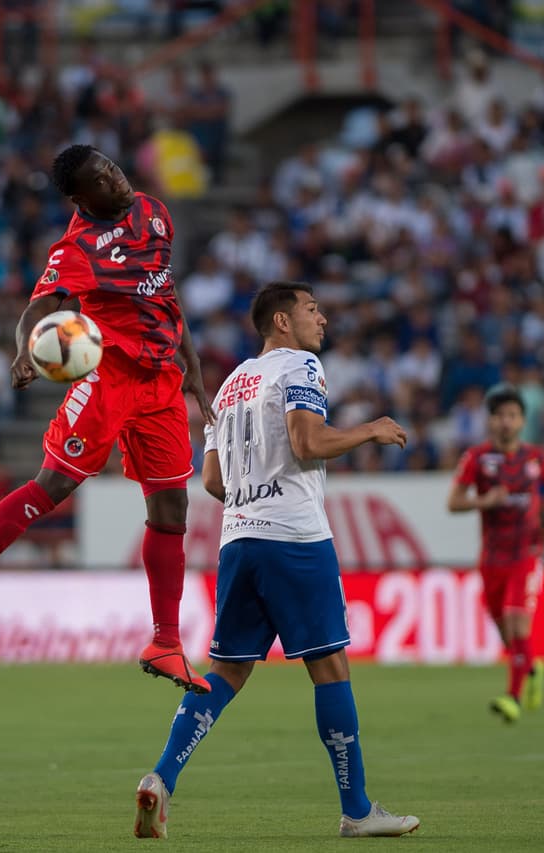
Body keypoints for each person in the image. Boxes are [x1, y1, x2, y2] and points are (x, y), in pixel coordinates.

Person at [132, 282, 419, 840]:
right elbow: (307, 442)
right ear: (282, 322)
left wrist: (252, 495)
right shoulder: (301, 366)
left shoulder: (230, 384)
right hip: (295, 539)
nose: (323, 319)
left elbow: (213, 480)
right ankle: (357, 810)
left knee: (227, 672)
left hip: (238, 541)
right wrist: (371, 429)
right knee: (330, 669)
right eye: (312, 309)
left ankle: (162, 778)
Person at [0, 145, 214, 693]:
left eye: (113, 165)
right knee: (53, 485)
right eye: (101, 177)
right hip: (108, 372)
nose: (116, 177)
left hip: (160, 380)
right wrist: (22, 349)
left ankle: (167, 642)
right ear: (82, 197)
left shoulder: (155, 212)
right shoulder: (76, 249)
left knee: (173, 502)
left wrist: (193, 371)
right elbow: (38, 308)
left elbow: (166, 296)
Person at [447, 384, 544, 723]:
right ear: (491, 421)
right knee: (508, 636)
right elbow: (453, 502)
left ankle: (512, 697)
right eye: (500, 416)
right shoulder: (477, 458)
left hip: (526, 553)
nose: (506, 422)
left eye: (512, 416)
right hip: (491, 559)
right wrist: (483, 502)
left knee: (518, 621)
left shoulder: (537, 457)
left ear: (521, 421)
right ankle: (532, 668)